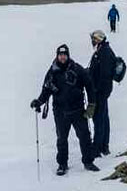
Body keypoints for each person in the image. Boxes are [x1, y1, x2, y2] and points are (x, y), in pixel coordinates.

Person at [30, 44, 100, 176]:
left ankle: (88, 161)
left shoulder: (77, 68)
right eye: (60, 55)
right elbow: (46, 90)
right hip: (60, 112)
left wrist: (91, 105)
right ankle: (62, 164)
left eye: (64, 55)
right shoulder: (52, 71)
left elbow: (89, 85)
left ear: (68, 56)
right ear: (57, 56)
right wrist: (39, 102)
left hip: (78, 110)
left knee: (84, 136)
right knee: (62, 139)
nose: (62, 57)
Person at [88, 29, 116, 157]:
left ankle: (98, 148)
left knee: (99, 119)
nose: (92, 41)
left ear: (99, 39)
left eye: (94, 39)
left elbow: (104, 74)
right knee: (103, 117)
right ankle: (104, 146)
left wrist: (96, 89)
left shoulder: (104, 52)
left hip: (101, 92)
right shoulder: (102, 50)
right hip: (102, 91)